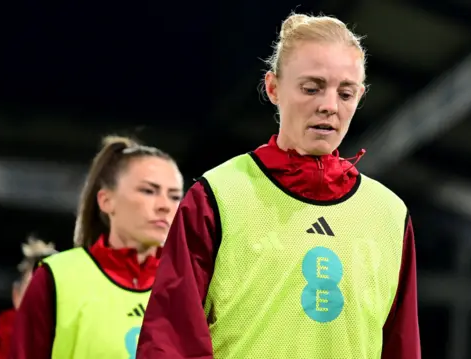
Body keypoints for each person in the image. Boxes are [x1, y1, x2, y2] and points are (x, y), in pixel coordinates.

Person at [137, 12, 421, 359]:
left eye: (345, 93)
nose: (329, 106)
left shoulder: (389, 214)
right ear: (273, 87)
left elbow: (401, 345)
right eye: (311, 88)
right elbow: (170, 343)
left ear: (360, 96)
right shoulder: (217, 197)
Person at [10, 135, 184, 359]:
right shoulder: (57, 277)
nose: (164, 206)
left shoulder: (189, 285)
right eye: (148, 191)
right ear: (106, 200)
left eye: (175, 196)